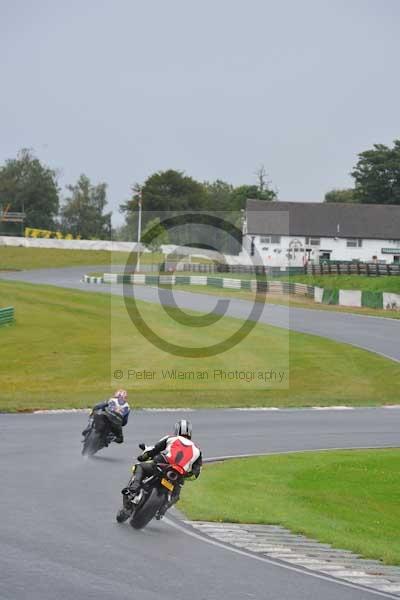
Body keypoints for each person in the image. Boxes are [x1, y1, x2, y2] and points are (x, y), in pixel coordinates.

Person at [122, 419, 202, 519]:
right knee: (176, 495)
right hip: (179, 474)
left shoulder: (171, 438)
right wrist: (185, 475)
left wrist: (143, 457)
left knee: (140, 466)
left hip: (163, 465)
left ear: (177, 430)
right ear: (190, 433)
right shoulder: (197, 451)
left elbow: (155, 449)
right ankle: (163, 509)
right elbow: (196, 472)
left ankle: (134, 488)